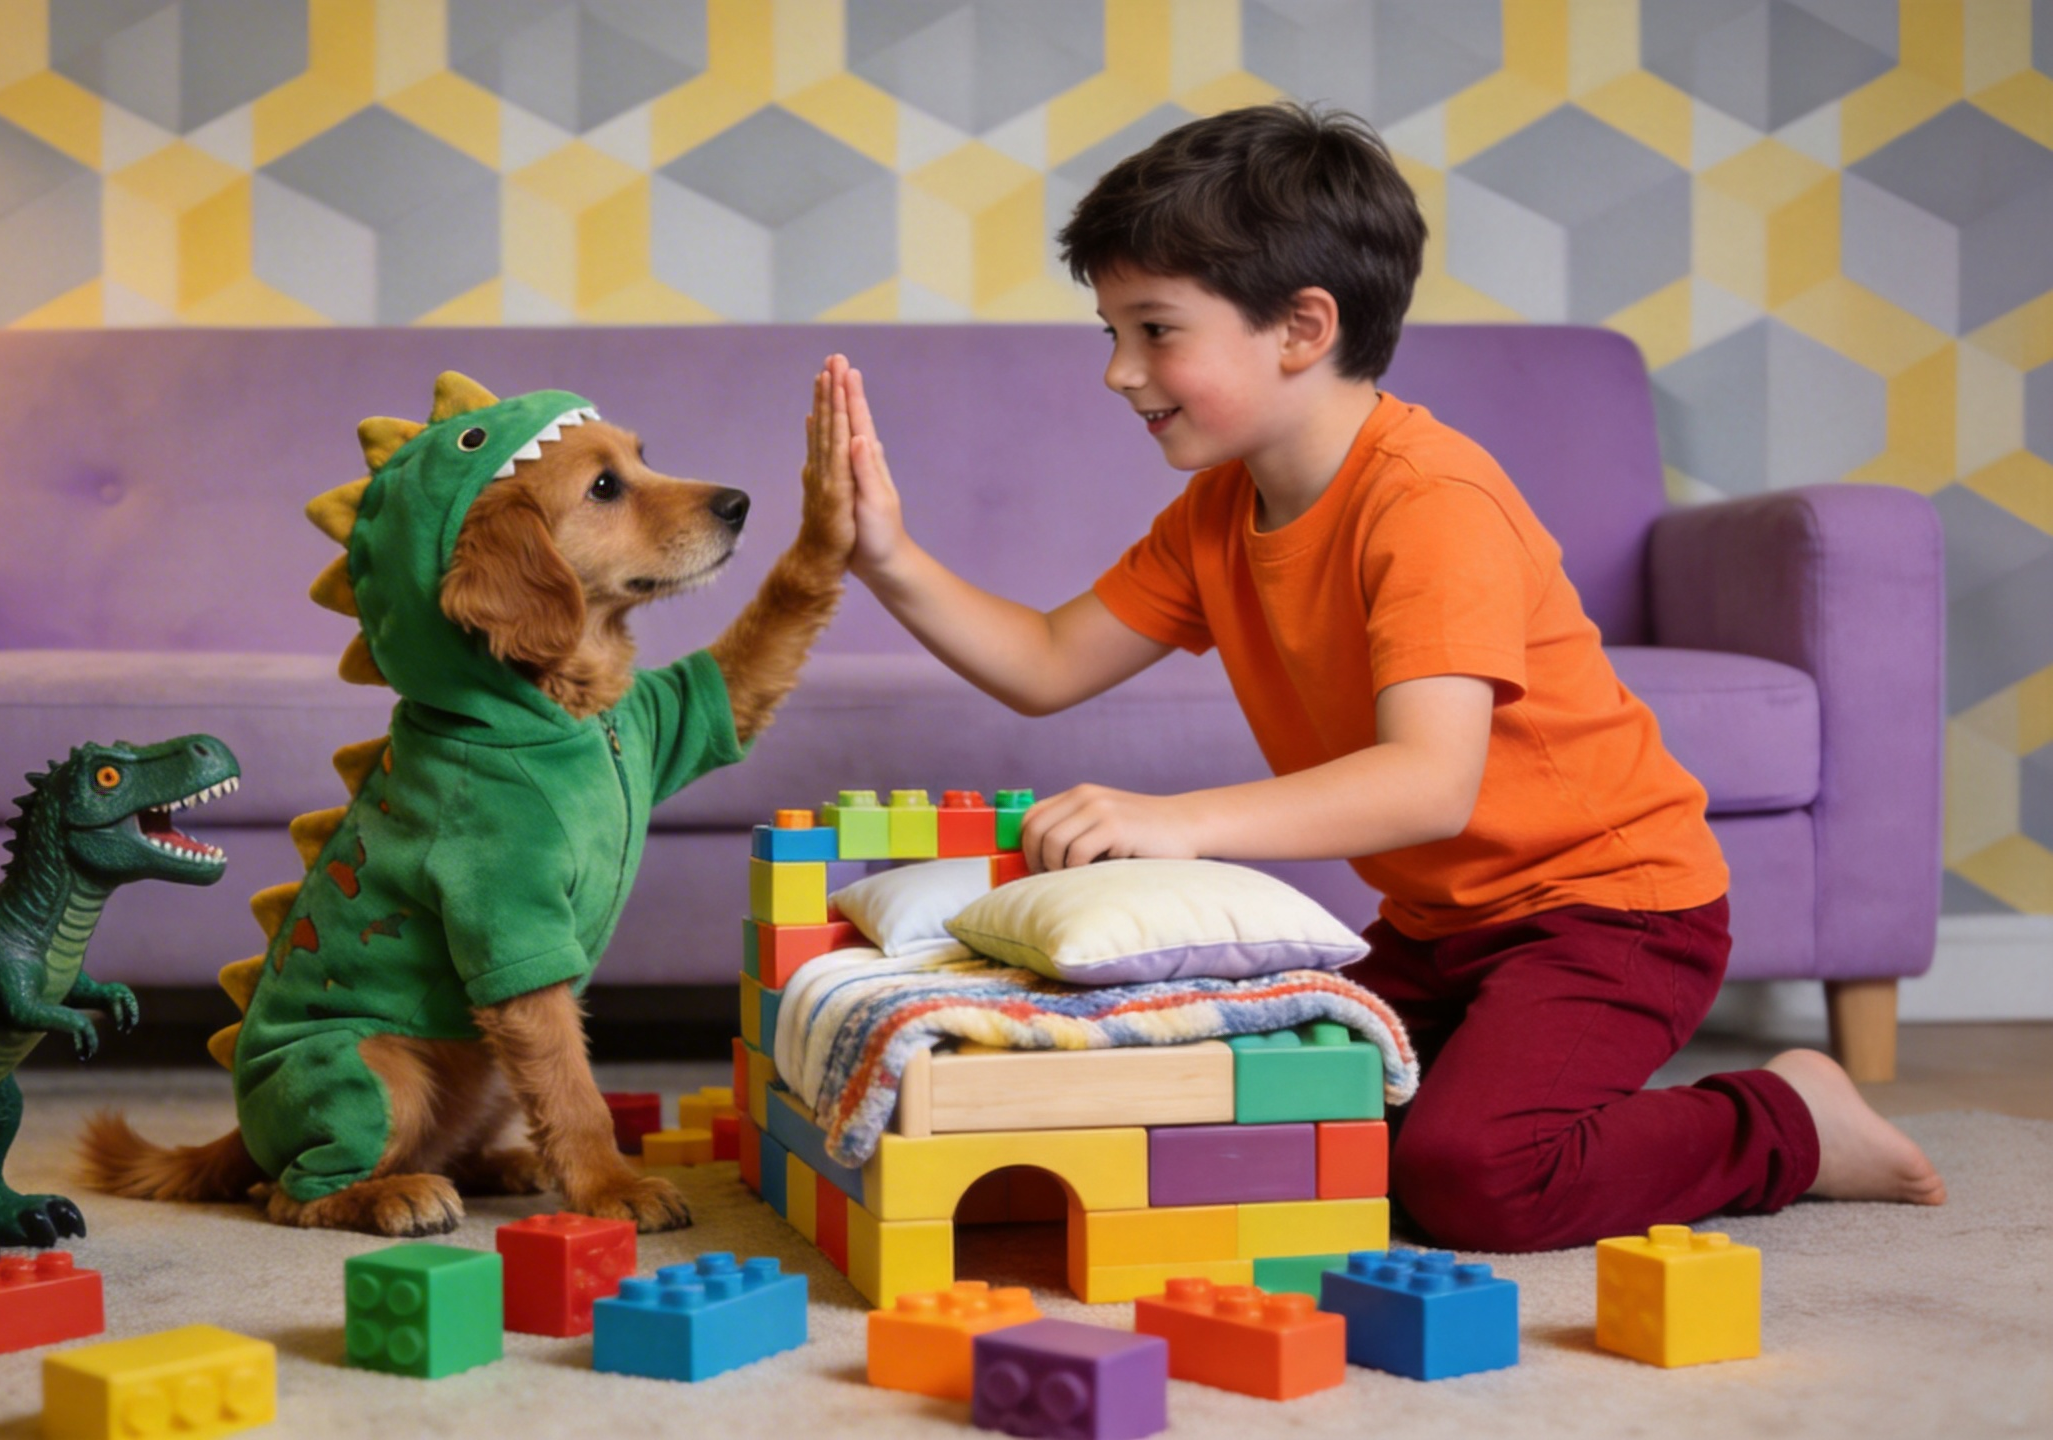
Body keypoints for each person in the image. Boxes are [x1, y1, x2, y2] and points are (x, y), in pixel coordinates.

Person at [806, 102, 1944, 1251]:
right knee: (1254, 1123)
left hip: (1611, 911)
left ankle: (1785, 1117)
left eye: (1154, 331)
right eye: (1111, 331)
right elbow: (1046, 665)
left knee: (1474, 1178)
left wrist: (1179, 824)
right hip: (1443, 924)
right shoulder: (1219, 509)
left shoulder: (1428, 501)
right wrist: (888, 556)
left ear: (1302, 327)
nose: (1118, 372)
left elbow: (1427, 783)